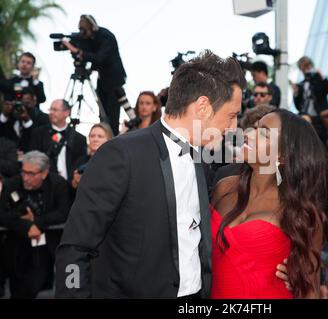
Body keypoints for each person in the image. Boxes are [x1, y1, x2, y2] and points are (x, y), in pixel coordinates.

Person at [55, 50, 247, 298]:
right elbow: (75, 248)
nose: (233, 127)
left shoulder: (201, 158)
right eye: (231, 116)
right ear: (203, 107)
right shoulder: (121, 155)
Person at [211, 109, 326, 298]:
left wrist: (297, 277)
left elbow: (310, 291)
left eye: (264, 133)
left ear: (283, 156)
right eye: (255, 128)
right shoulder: (224, 188)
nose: (249, 135)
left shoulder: (299, 212)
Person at [0, 151, 70, 298]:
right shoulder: (12, 183)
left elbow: (63, 212)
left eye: (31, 174)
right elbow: (2, 214)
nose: (26, 178)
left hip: (47, 249)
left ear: (44, 173)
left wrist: (37, 222)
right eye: (23, 172)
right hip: (17, 248)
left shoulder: (58, 184)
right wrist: (26, 226)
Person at [62, 15, 131, 136]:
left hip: (114, 80)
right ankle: (105, 134)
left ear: (92, 27)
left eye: (84, 30)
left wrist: (77, 51)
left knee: (111, 114)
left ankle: (111, 138)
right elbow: (93, 57)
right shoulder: (92, 38)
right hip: (102, 79)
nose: (83, 33)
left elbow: (99, 57)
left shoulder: (105, 36)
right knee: (103, 114)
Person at [29, 99, 87, 181]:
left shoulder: (79, 139)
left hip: (69, 185)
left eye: (55, 110)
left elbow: (80, 163)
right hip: (45, 183)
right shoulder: (38, 133)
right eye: (50, 109)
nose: (51, 112)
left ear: (66, 112)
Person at [293, 56, 328, 145]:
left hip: (320, 118)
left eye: (307, 67)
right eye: (303, 68)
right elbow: (298, 106)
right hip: (306, 117)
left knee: (321, 142)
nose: (305, 70)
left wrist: (322, 77)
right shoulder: (301, 84)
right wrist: (295, 94)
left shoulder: (319, 81)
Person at [71, 123, 113, 190]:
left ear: (108, 140)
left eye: (100, 136)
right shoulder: (80, 161)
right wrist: (75, 182)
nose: (95, 139)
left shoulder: (113, 162)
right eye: (92, 136)